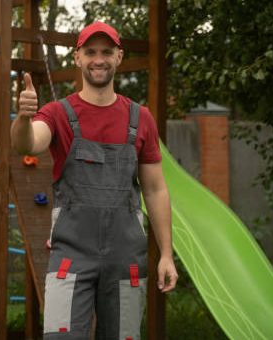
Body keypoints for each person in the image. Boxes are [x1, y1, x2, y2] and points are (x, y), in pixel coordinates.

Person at [10, 21, 178, 339]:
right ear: (77, 58)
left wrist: (166, 254)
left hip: (126, 260)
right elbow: (27, 144)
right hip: (70, 258)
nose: (98, 59)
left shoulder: (140, 118)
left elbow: (155, 190)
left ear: (119, 56)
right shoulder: (58, 113)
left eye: (106, 52)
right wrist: (23, 118)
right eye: (90, 52)